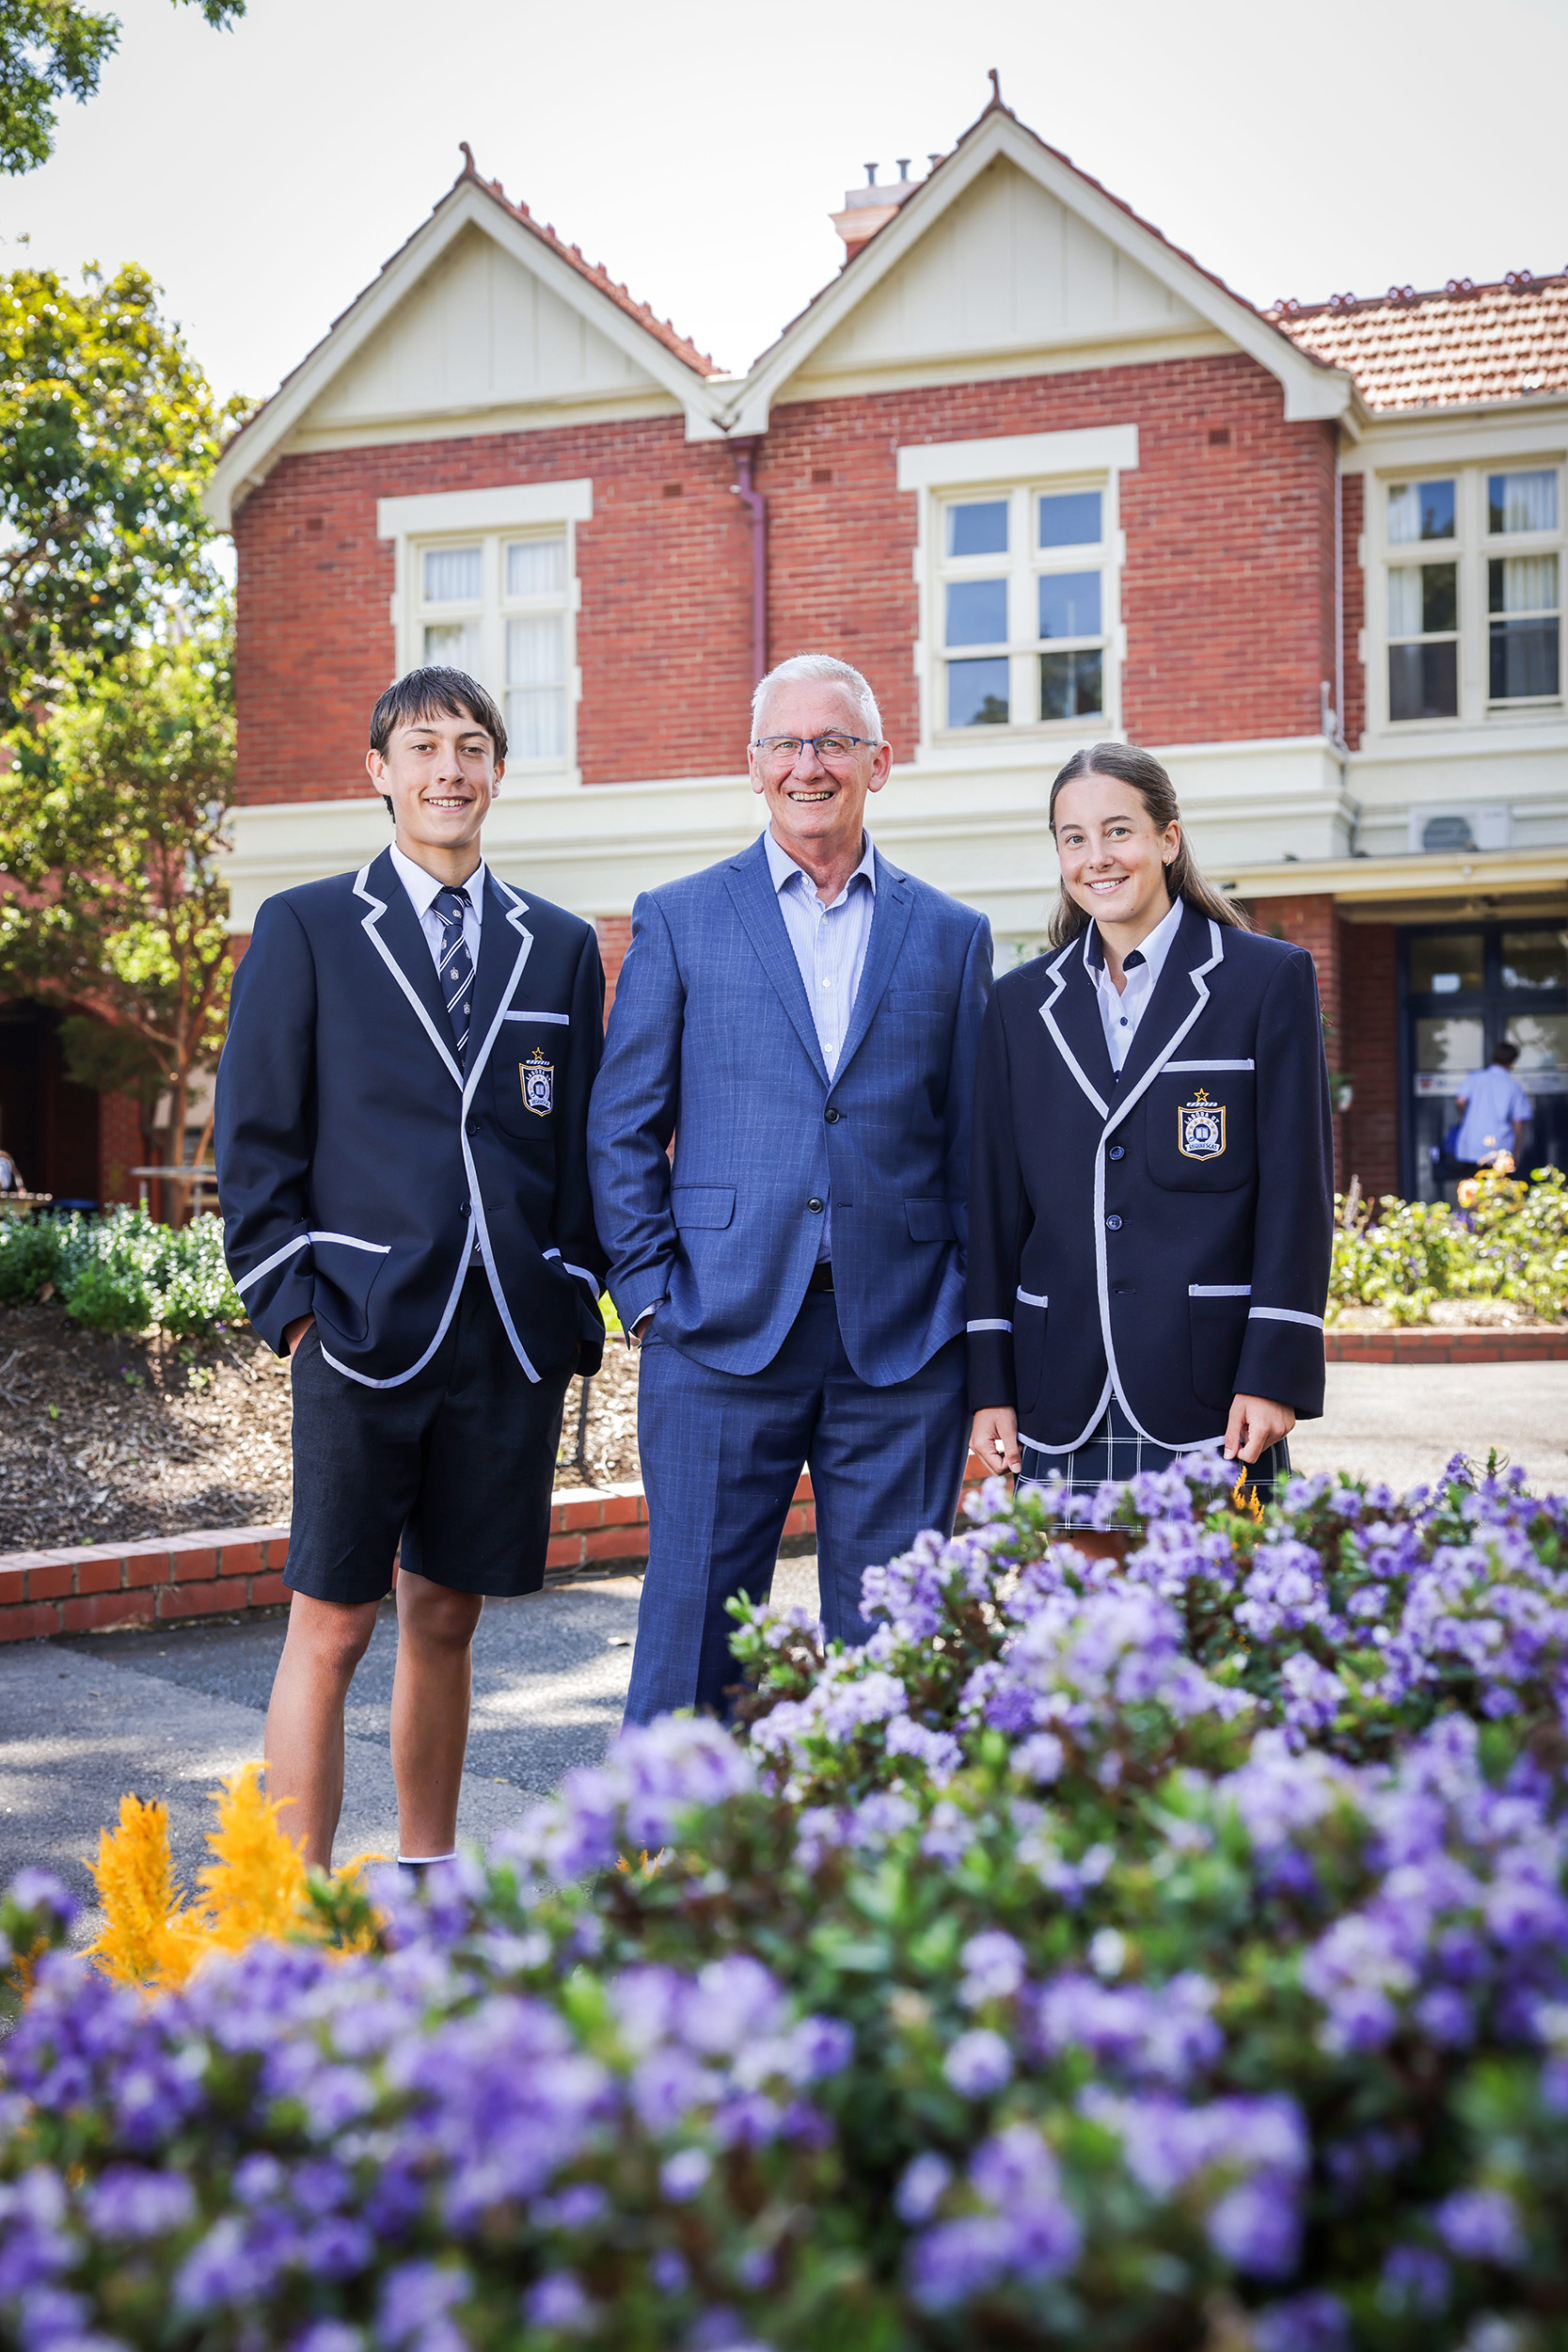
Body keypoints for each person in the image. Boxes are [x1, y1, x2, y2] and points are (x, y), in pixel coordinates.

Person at [214, 666, 607, 1871]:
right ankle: (289, 1912)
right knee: (332, 1626)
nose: (449, 768)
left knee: (445, 1614)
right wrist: (295, 1313)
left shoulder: (557, 945)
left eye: (471, 746)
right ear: (378, 771)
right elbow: (255, 1139)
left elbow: (578, 1143)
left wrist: (570, 1290)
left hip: (507, 1334)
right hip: (358, 1328)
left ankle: (427, 1883)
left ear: (498, 771)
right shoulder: (307, 928)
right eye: (424, 746)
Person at [589, 653, 993, 1724]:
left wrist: (961, 1304)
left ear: (879, 763)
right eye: (785, 743)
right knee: (694, 1637)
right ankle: (674, 1834)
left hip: (902, 1344)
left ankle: (881, 1833)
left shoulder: (951, 935)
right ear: (752, 764)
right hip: (714, 1330)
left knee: (895, 1646)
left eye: (833, 742)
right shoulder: (678, 917)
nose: (807, 764)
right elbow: (622, 1123)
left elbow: (973, 1152)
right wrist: (647, 1295)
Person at [968, 741, 1332, 1504]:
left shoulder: (1266, 980)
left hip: (1212, 1392)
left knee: (1222, 1588)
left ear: (1167, 839)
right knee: (1070, 1590)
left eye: (1117, 831)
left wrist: (1275, 1374)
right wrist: (988, 1385)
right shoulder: (1018, 1004)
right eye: (1073, 838)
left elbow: (1296, 1196)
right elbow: (994, 1210)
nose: (1096, 858)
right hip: (1056, 1392)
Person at [1450, 1040, 1530, 1174]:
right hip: (1500, 1146)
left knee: (1472, 1184)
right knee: (1498, 1186)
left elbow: (1460, 1101)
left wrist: (1466, 1115)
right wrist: (1517, 1152)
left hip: (1472, 1144)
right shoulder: (1513, 1086)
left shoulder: (1474, 1078)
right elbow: (1518, 1121)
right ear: (1512, 1062)